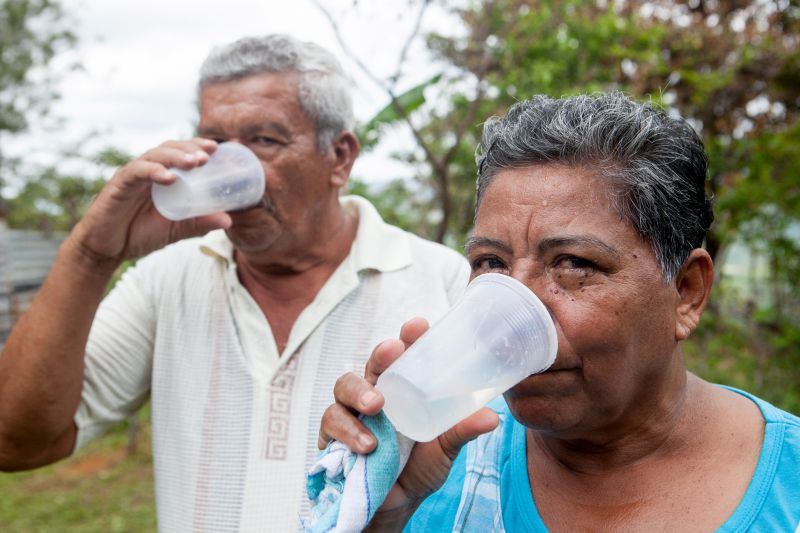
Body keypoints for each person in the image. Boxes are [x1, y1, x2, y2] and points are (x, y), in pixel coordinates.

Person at [0, 35, 470, 531]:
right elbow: (16, 441)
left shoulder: (440, 283)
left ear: (340, 156)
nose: (230, 170)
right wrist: (91, 254)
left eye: (264, 141)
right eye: (217, 144)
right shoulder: (167, 278)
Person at [320, 92, 800, 532]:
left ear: (687, 292)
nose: (509, 318)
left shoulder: (788, 491)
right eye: (491, 264)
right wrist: (379, 515)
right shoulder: (436, 464)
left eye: (573, 264)